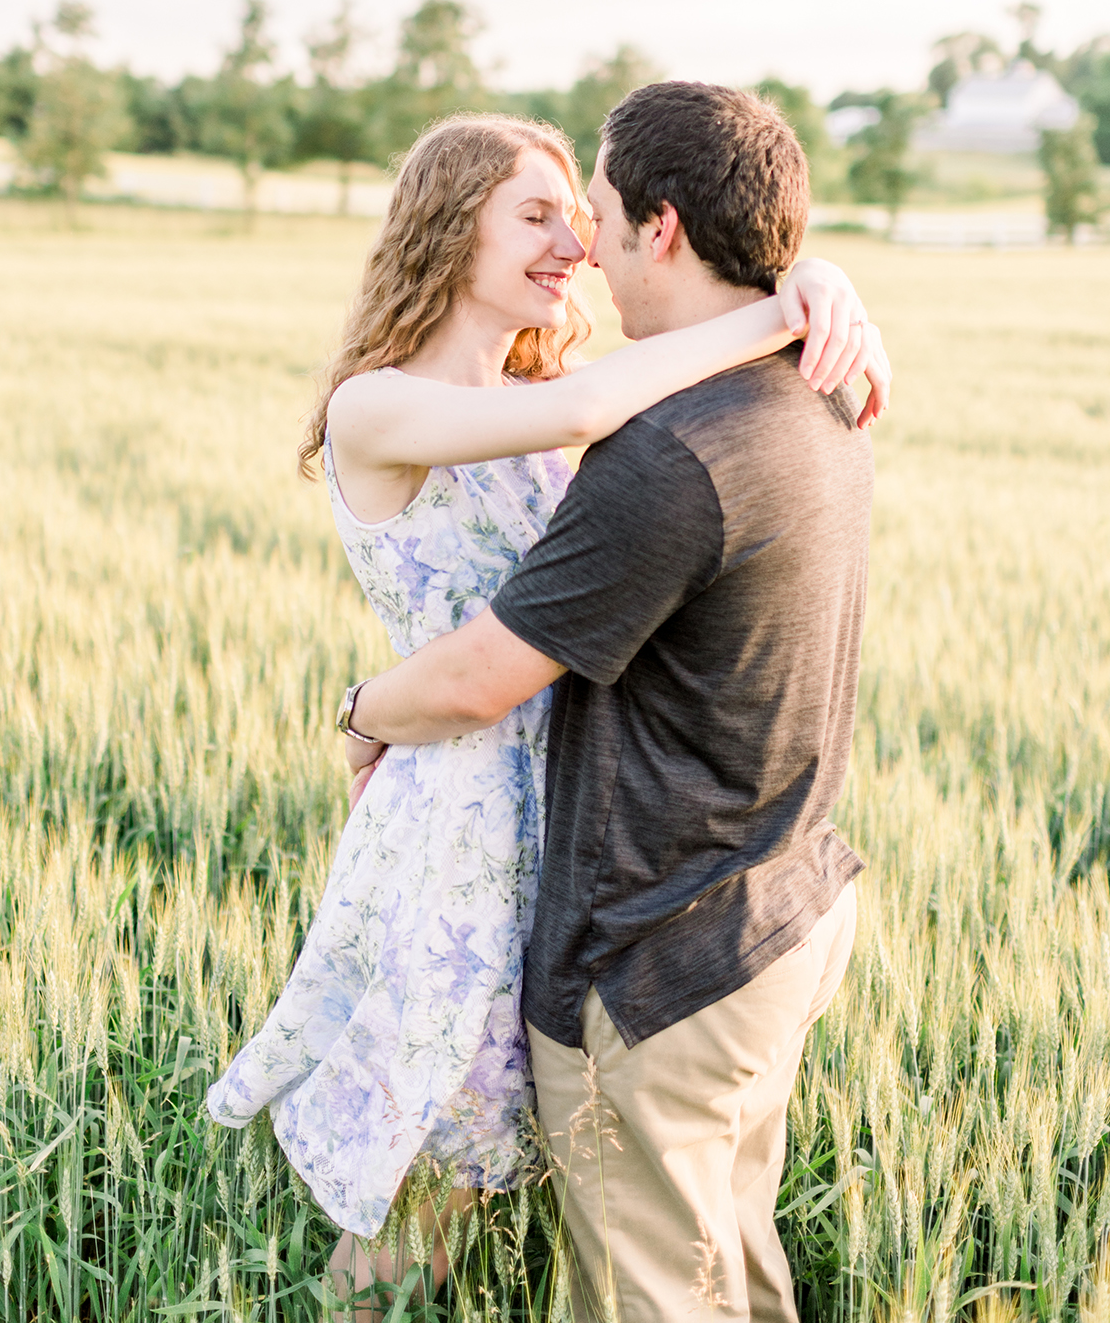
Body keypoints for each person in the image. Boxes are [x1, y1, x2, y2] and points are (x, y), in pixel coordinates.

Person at [205, 104, 886, 1316]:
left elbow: (621, 404)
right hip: (465, 817)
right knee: (429, 1167)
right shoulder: (379, 407)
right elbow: (592, 418)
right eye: (535, 215)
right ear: (444, 226)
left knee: (551, 1159)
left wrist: (813, 278)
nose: (575, 244)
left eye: (582, 217)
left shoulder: (551, 383)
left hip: (567, 812)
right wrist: (781, 301)